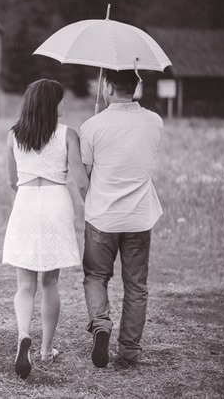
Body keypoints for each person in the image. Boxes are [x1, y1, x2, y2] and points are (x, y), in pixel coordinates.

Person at [2, 79, 88, 380]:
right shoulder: (68, 135)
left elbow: (12, 179)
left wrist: (29, 198)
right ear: (51, 104)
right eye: (61, 101)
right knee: (50, 283)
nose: (65, 105)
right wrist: (93, 208)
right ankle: (46, 349)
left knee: (24, 285)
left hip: (25, 202)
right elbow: (81, 180)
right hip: (56, 202)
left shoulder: (14, 135)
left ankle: (23, 335)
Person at [79, 69, 163, 368]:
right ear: (136, 87)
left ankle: (100, 324)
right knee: (136, 285)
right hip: (139, 217)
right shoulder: (155, 121)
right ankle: (129, 351)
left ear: (108, 85)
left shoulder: (92, 125)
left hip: (102, 217)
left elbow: (84, 177)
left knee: (95, 276)